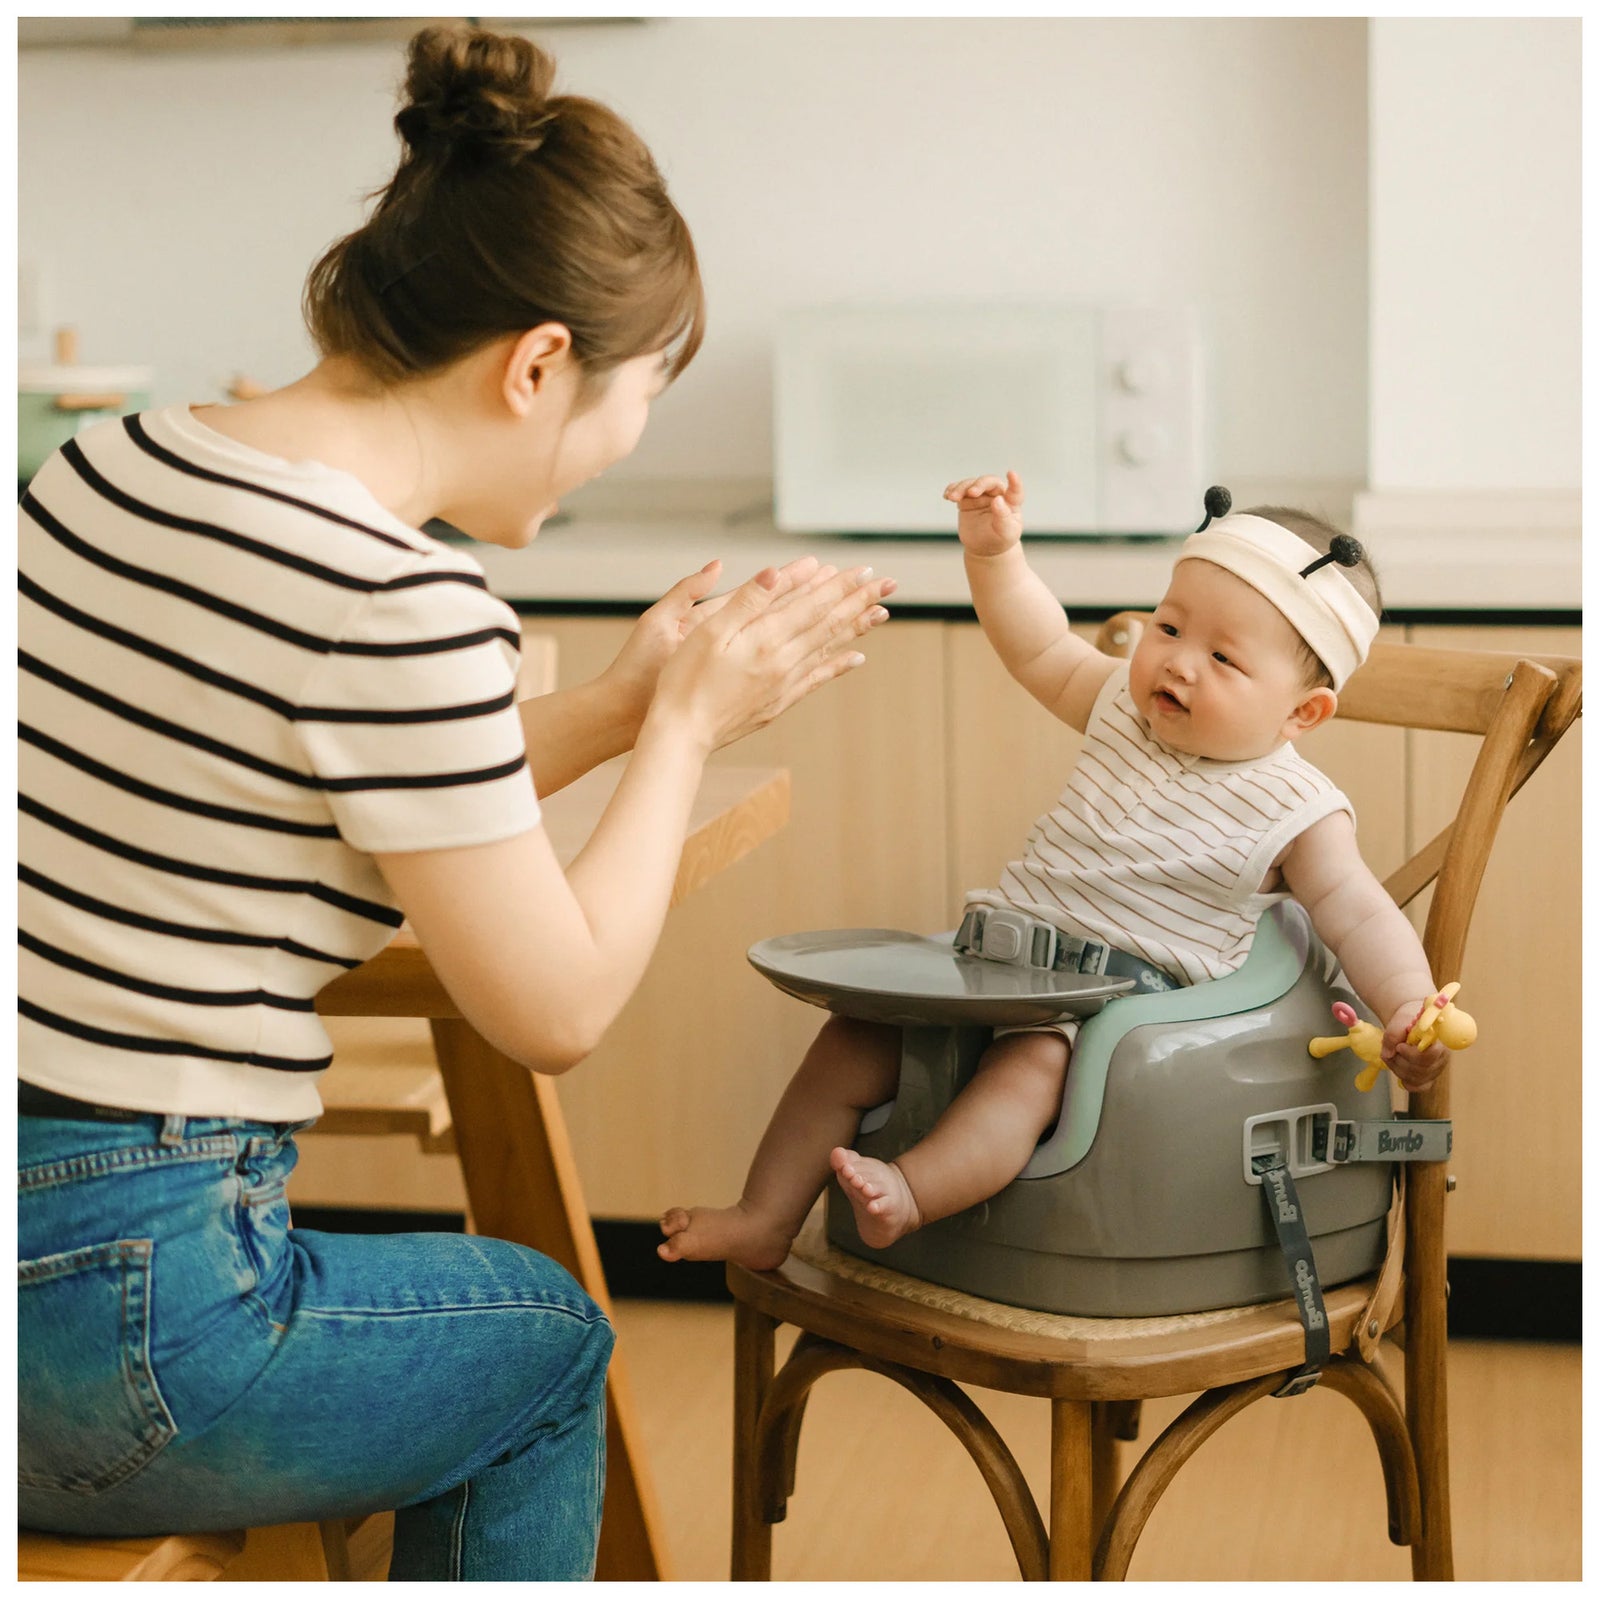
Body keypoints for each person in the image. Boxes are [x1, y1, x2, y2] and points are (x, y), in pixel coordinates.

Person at [17, 23, 896, 1583]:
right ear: (539, 363)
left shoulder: (105, 467)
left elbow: (325, 772)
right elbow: (555, 1008)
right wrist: (681, 733)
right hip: (108, 1324)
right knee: (544, 1342)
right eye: (641, 392)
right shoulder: (394, 595)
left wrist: (621, 703)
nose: (625, 443)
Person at [659, 470, 1450, 1271]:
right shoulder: (1120, 709)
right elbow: (1037, 645)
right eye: (1169, 627)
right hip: (991, 963)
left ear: (1302, 712)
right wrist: (996, 556)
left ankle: (909, 1194)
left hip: (1105, 1009)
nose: (1178, 663)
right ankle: (764, 1216)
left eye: (1222, 657)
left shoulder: (1297, 808)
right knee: (850, 1040)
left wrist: (1407, 1005)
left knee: (1025, 1077)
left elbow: (1357, 910)